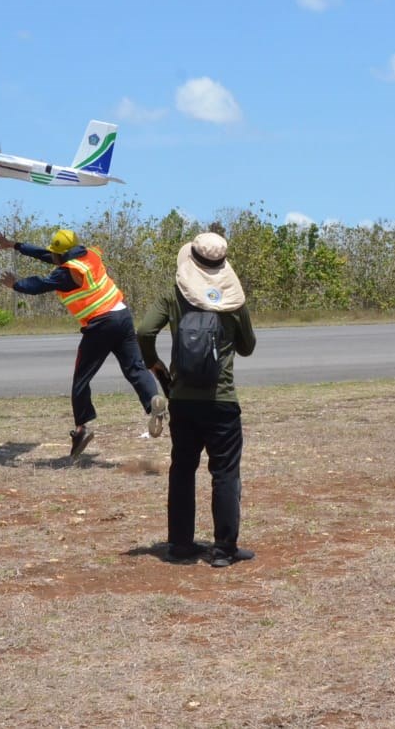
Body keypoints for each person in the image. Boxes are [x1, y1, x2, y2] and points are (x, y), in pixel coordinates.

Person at [135, 231, 257, 568]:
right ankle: (223, 550)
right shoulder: (233, 302)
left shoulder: (174, 295)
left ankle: (180, 545)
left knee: (183, 470)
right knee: (225, 473)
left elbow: (145, 331)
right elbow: (248, 347)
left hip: (183, 399)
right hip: (222, 400)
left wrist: (156, 366)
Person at [0, 228, 167, 457]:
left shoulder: (66, 275)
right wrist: (15, 245)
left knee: (81, 380)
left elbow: (39, 285)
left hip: (100, 324)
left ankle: (82, 428)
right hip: (122, 315)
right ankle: (152, 401)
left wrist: (15, 285)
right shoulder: (89, 255)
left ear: (61, 254)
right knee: (135, 367)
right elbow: (46, 255)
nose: (51, 255)